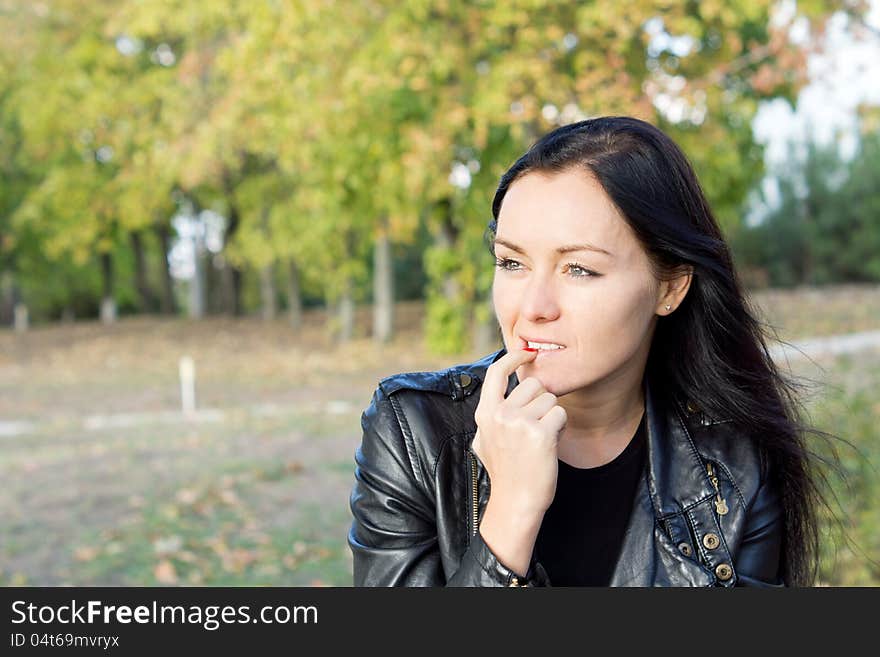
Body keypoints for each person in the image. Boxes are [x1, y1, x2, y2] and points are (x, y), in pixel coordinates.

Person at [347, 116, 824, 587]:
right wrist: (510, 515)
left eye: (579, 270)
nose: (533, 308)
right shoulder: (413, 433)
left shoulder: (734, 461)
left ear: (671, 287)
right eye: (512, 262)